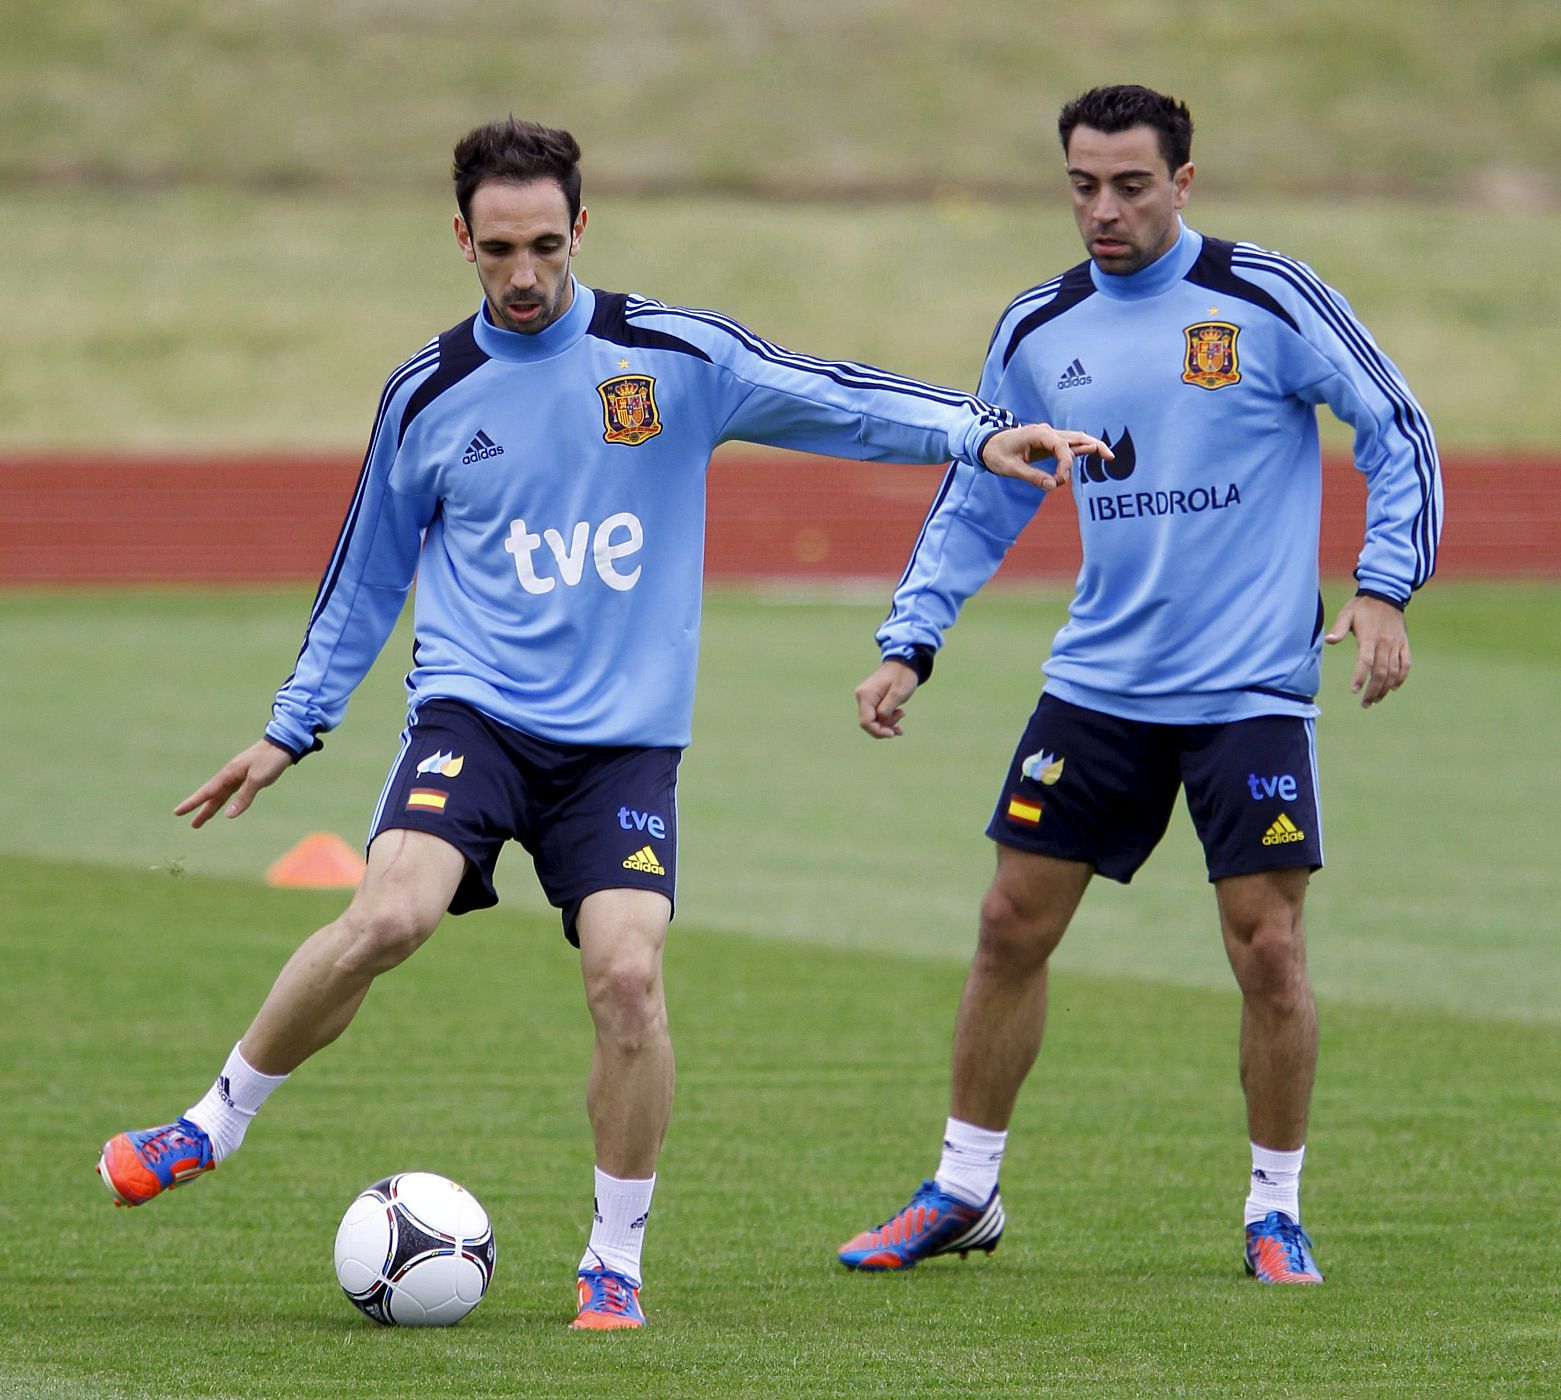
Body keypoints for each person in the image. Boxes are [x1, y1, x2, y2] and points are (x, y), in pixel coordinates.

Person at [94, 117, 1106, 1330]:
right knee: (388, 914)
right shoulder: (428, 395)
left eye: (543, 246)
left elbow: (829, 397)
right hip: (475, 716)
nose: (522, 276)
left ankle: (612, 1258)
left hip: (622, 744)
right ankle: (209, 1124)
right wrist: (291, 726)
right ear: (460, 239)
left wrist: (973, 430)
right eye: (496, 249)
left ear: (581, 229)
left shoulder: (668, 356)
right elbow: (363, 576)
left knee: (627, 978)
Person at [835, 85, 1442, 1285]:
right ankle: (963, 1188)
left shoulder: (1265, 296)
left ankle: (1274, 1209)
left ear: (1183, 181)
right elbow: (985, 489)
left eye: (1128, 185)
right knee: (1010, 923)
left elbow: (1395, 425)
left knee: (1266, 945)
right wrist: (911, 637)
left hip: (1247, 688)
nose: (1102, 210)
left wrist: (1382, 586)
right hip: (1100, 682)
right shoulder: (1038, 327)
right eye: (1080, 185)